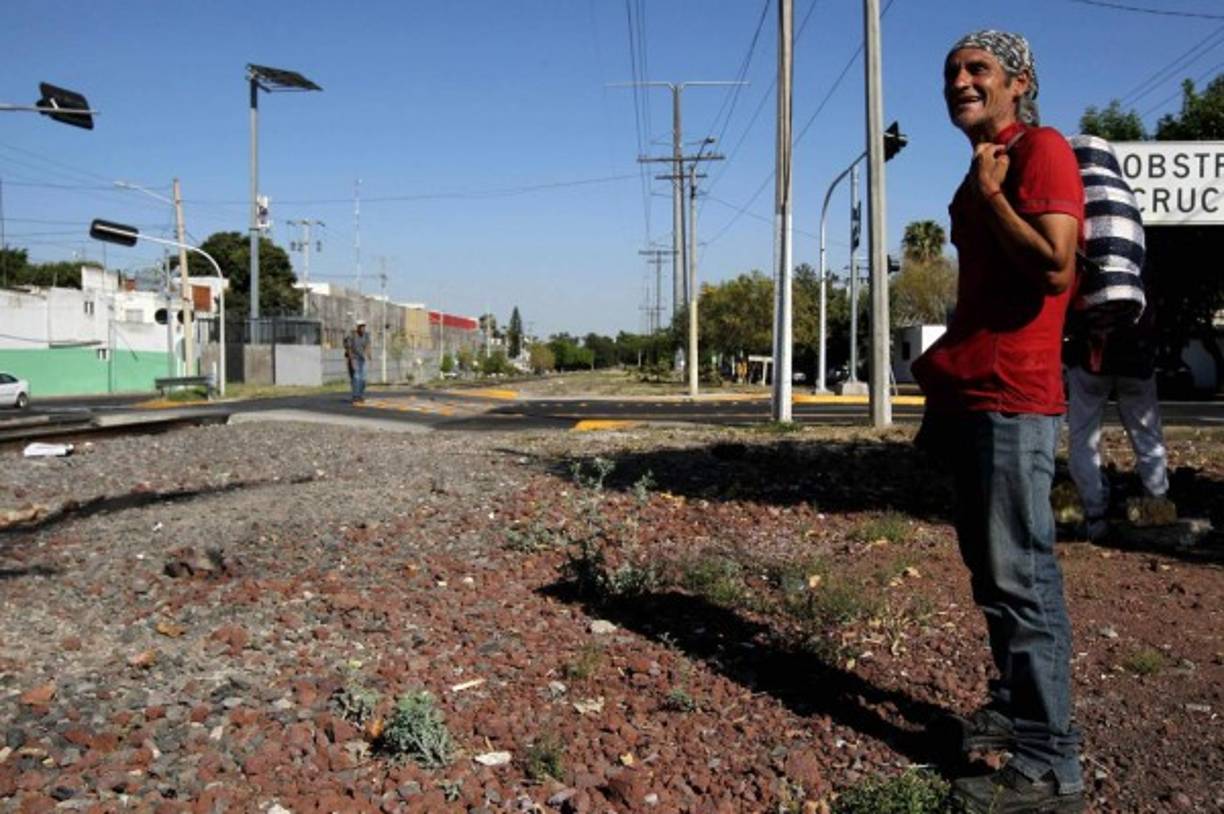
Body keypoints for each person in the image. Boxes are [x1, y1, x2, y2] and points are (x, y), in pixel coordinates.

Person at [911, 30, 1085, 812]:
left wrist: (989, 199)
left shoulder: (1040, 150)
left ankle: (1050, 769)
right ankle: (1017, 716)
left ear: (1019, 82)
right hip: (973, 393)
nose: (960, 81)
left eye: (977, 69)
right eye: (951, 71)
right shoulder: (982, 161)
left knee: (1024, 579)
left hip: (1016, 396)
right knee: (994, 575)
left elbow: (1055, 265)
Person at [1065, 291, 1171, 541]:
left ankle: (1094, 516)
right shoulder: (1138, 259)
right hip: (1136, 356)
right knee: (1147, 436)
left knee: (1083, 436)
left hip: (1091, 356)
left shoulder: (1087, 256)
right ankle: (1156, 508)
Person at [344, 319, 370, 403]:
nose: (363, 328)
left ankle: (360, 395)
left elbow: (367, 345)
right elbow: (349, 349)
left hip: (362, 358)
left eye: (364, 326)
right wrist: (351, 361)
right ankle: (355, 396)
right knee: (356, 377)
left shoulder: (366, 335)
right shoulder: (352, 336)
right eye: (361, 327)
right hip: (354, 358)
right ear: (357, 327)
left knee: (363, 379)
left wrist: (368, 356)